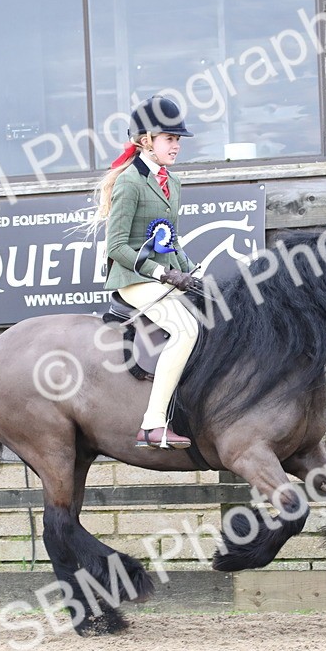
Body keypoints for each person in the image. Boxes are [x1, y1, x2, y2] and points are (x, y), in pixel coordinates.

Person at [89, 95, 200, 450]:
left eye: (178, 140)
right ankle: (152, 424)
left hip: (163, 278)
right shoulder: (130, 182)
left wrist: (189, 274)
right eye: (170, 139)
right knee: (185, 330)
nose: (176, 146)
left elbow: (171, 239)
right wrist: (163, 274)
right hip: (133, 280)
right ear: (145, 141)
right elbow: (117, 247)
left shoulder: (173, 183)